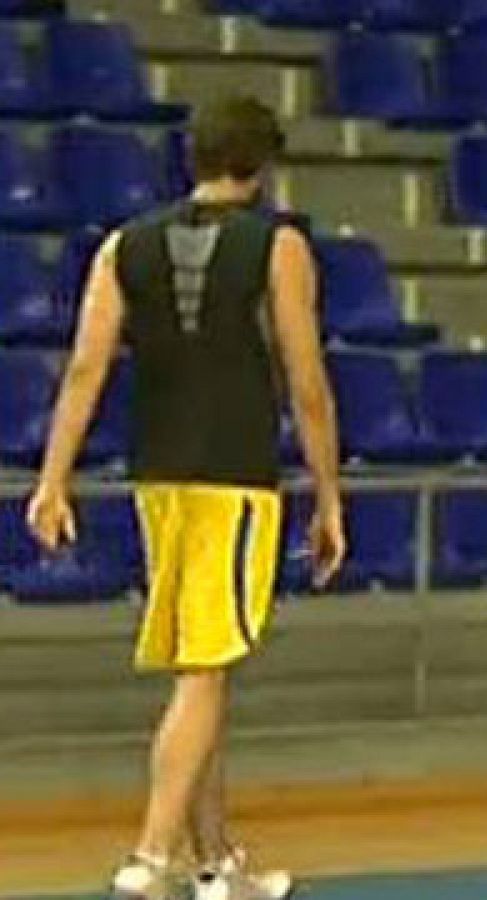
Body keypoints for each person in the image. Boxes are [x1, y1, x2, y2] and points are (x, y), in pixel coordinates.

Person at [25, 94, 345, 899]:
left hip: (156, 472)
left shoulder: (120, 246)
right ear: (263, 166)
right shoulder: (279, 246)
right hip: (234, 472)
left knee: (205, 663)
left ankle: (217, 863)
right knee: (204, 669)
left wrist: (53, 477)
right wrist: (330, 493)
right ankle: (153, 853)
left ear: (191, 157)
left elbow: (88, 368)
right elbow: (306, 381)